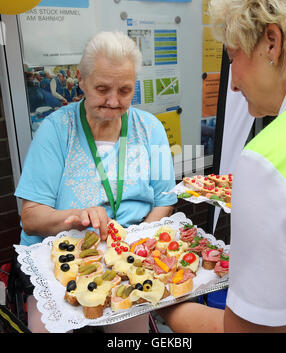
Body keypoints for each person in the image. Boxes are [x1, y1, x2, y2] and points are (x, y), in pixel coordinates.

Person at [14, 31, 177, 333]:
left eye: (125, 90)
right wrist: (73, 217)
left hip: (127, 254)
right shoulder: (55, 131)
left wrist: (138, 245)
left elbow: (163, 199)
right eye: (102, 88)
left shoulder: (150, 129)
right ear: (81, 79)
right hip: (65, 260)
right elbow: (31, 217)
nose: (114, 102)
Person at [159, 0, 286, 333]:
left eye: (232, 56)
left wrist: (162, 298)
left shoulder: (266, 159)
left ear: (272, 42)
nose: (233, 83)